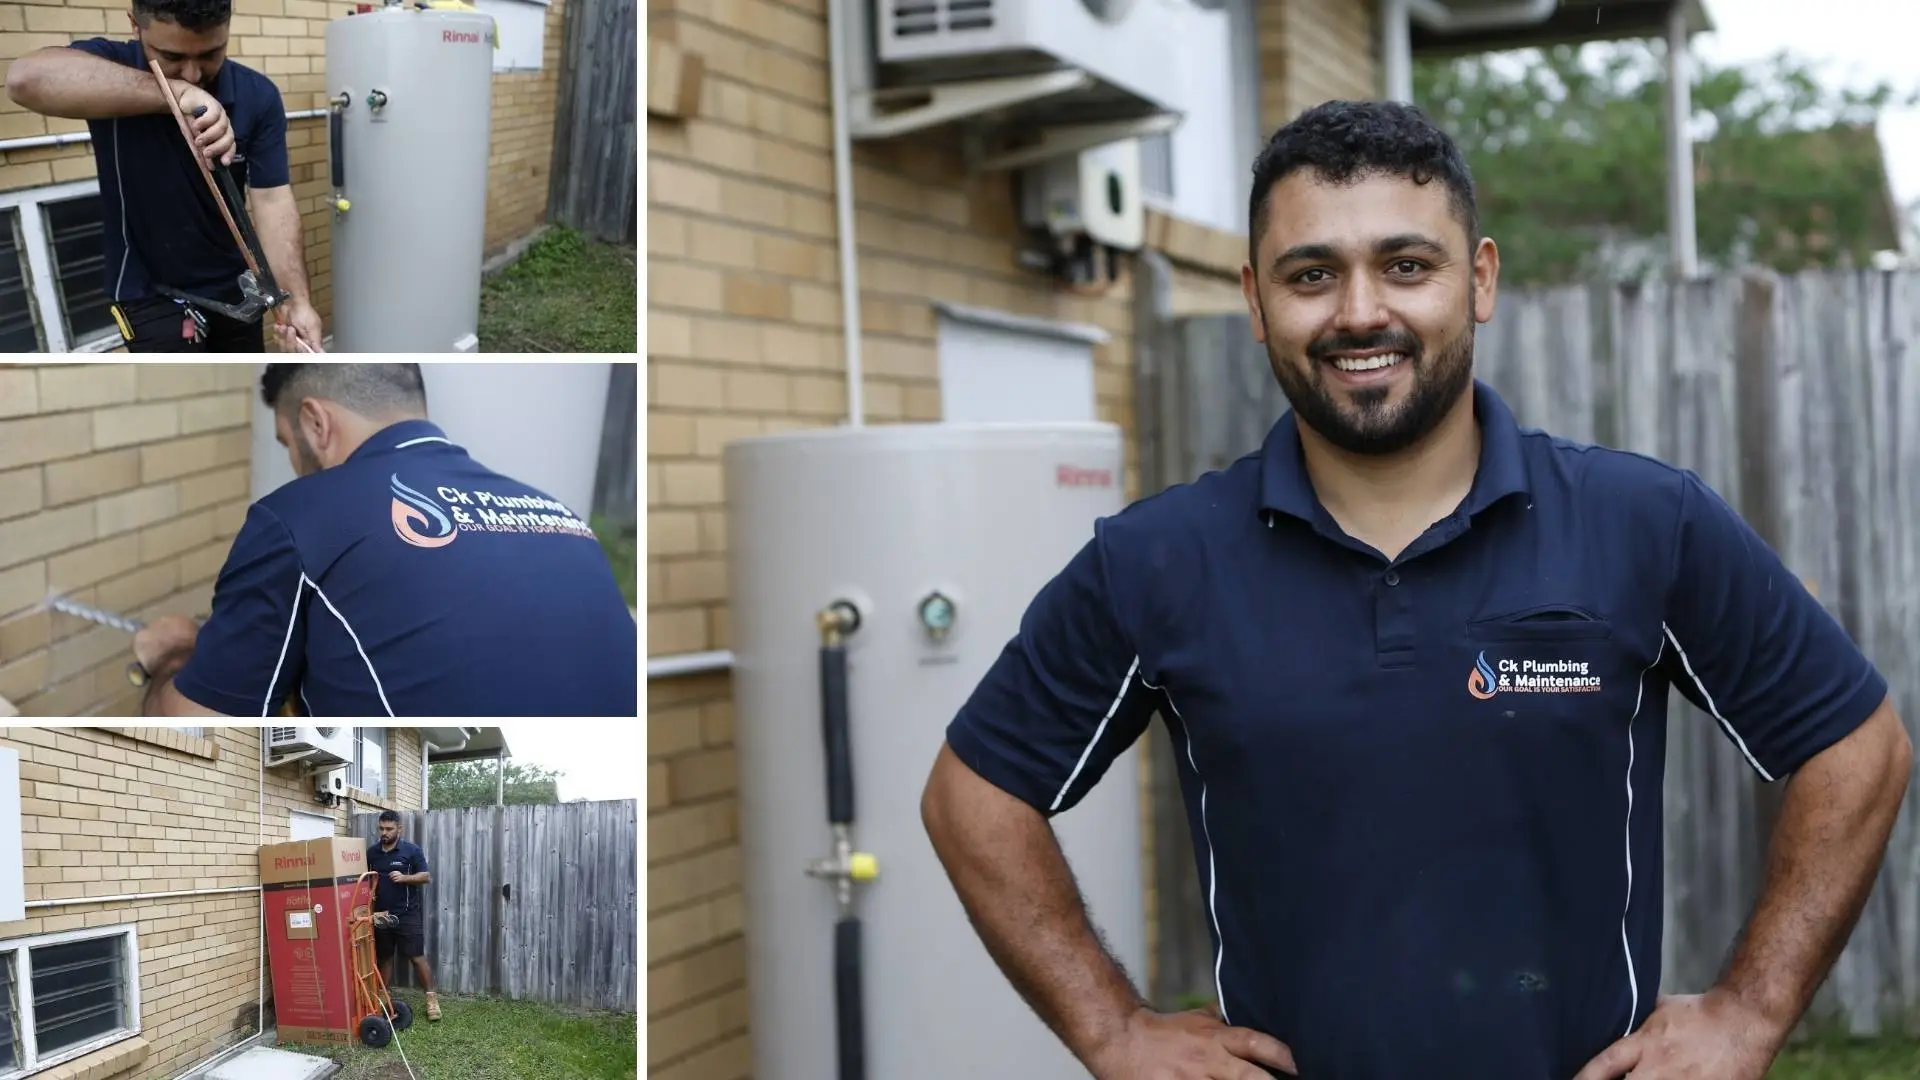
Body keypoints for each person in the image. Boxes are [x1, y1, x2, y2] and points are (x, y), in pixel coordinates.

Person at [919, 100, 1911, 1080]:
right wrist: (1111, 1029)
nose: (1360, 312)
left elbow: (1856, 748)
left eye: (1406, 265)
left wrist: (1750, 1010)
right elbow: (974, 797)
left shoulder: (1643, 522)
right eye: (1312, 275)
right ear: (1257, 303)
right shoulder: (1158, 560)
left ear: (1478, 280)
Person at [130, 363, 639, 717]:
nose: (292, 461)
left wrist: (173, 656)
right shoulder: (557, 512)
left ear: (315, 421)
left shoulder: (294, 516)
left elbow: (196, 720)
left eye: (288, 443)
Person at [3, 0, 324, 352]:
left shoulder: (258, 95)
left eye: (210, 54)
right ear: (135, 25)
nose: (193, 73)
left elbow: (273, 201)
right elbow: (24, 80)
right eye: (171, 57)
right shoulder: (113, 68)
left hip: (237, 289)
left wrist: (298, 302)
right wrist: (174, 94)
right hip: (148, 292)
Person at [368, 809, 440, 1022]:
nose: (384, 832)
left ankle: (431, 999)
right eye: (381, 828)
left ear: (400, 829)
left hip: (407, 915)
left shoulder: (411, 850)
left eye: (389, 829)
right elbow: (370, 876)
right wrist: (371, 889)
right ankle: (383, 997)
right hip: (382, 914)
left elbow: (426, 877)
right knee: (385, 957)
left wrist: (405, 877)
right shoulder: (372, 852)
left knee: (417, 957)